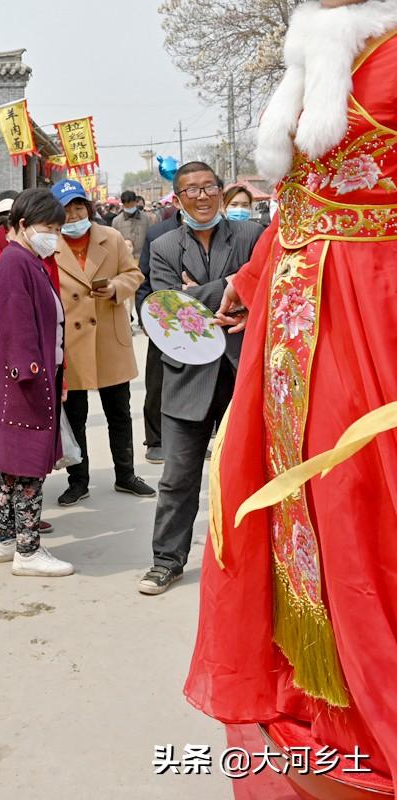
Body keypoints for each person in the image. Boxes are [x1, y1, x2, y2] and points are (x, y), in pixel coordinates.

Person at [188, 2, 397, 786]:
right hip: (296, 314)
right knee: (297, 510)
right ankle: (328, 697)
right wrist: (249, 279)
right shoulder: (314, 47)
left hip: (372, 309)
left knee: (361, 501)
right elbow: (299, 206)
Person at [138, 162, 263, 595]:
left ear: (222, 192)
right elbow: (170, 311)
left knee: (248, 475)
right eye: (191, 190)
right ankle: (166, 561)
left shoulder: (252, 236)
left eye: (210, 187)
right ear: (178, 198)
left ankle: (250, 564)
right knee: (177, 478)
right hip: (186, 375)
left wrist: (200, 295)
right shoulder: (164, 245)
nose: (202, 196)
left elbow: (264, 288)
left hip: (242, 370)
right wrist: (232, 284)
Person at [0, 187, 73, 578]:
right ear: (22, 225)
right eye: (48, 227)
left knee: (13, 465)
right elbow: (17, 326)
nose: (53, 235)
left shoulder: (24, 258)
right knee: (29, 465)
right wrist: (32, 376)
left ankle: (5, 539)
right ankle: (28, 550)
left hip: (27, 378)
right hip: (27, 380)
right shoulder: (16, 262)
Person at [51, 179, 155, 507]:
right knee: (75, 414)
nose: (73, 214)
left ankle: (125, 474)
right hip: (71, 343)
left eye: (78, 207)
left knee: (119, 413)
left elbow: (134, 274)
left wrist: (115, 288)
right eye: (66, 209)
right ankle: (78, 480)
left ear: (88, 208)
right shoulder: (48, 244)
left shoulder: (109, 238)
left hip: (109, 336)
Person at [135, 199, 183, 464]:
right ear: (177, 199)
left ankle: (192, 437)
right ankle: (155, 439)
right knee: (157, 383)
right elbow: (144, 279)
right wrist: (146, 315)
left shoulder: (222, 232)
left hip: (201, 322)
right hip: (163, 320)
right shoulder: (158, 233)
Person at [111, 189, 149, 264]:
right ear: (123, 204)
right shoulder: (116, 221)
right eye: (126, 205)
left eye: (131, 205)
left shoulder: (146, 218)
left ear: (135, 202)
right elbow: (114, 242)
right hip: (125, 260)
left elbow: (151, 237)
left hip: (143, 259)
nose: (129, 207)